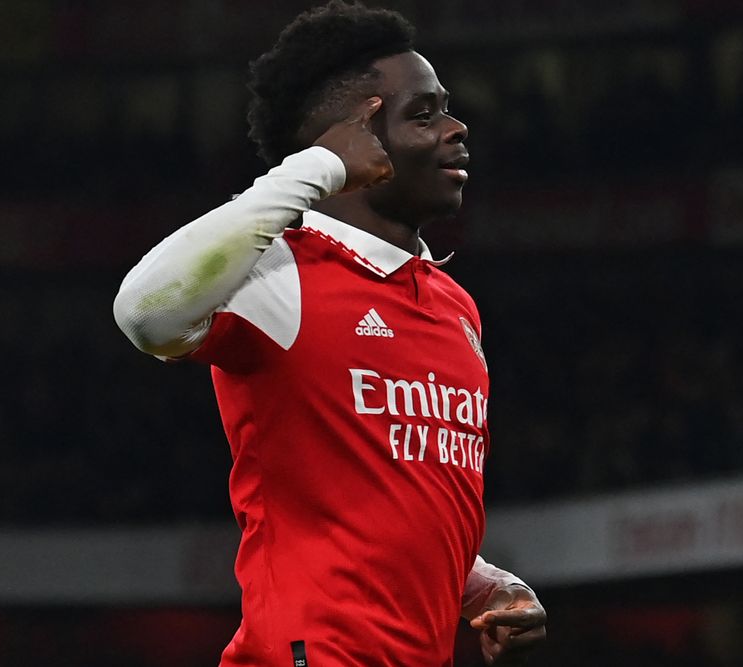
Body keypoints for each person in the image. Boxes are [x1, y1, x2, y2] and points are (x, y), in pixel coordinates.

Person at [113, 2, 547, 665]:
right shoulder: (279, 272)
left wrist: (483, 581)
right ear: (356, 138)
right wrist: (313, 168)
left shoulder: (454, 305)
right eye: (423, 114)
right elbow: (144, 312)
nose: (457, 130)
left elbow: (398, 504)